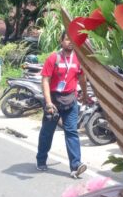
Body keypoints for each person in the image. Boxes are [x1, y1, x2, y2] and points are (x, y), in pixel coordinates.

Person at [36, 32, 89, 178]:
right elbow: (45, 80)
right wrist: (48, 103)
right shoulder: (53, 58)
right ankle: (41, 159)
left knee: (72, 131)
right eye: (67, 39)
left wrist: (84, 95)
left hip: (71, 100)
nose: (70, 42)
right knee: (47, 132)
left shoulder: (78, 59)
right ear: (61, 41)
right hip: (54, 100)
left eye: (72, 40)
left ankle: (76, 165)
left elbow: (82, 78)